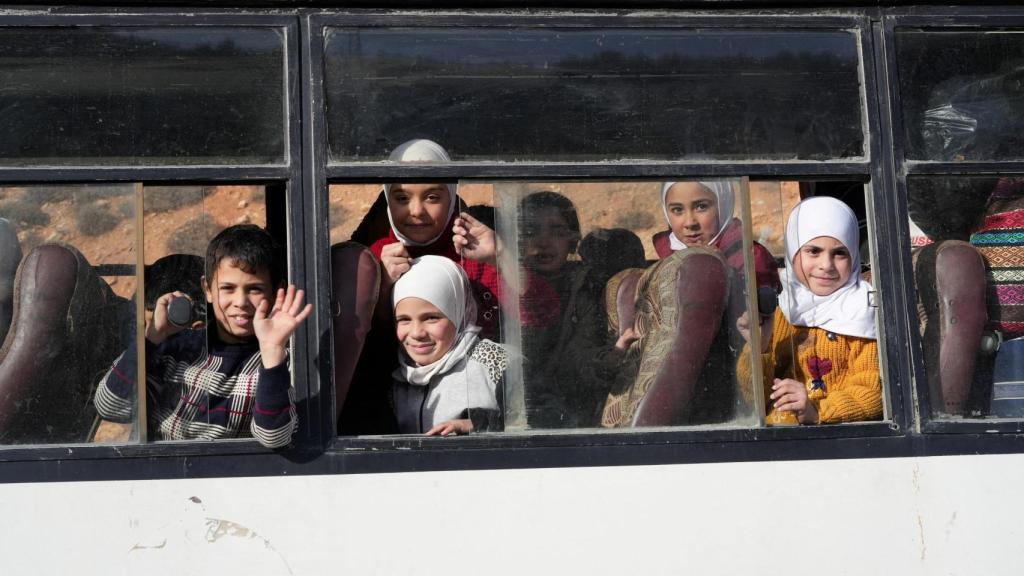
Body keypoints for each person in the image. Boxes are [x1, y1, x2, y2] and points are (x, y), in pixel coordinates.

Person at [94, 224, 312, 448]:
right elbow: (109, 406)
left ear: (277, 292)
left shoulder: (276, 364)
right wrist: (151, 340)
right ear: (207, 289)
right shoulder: (175, 348)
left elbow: (274, 437)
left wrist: (272, 351)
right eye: (227, 288)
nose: (240, 302)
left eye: (255, 289)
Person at [736, 196, 881, 425]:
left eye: (840, 253)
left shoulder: (864, 308)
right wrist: (759, 346)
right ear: (794, 251)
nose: (826, 265)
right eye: (813, 251)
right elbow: (750, 398)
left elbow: (872, 393)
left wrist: (817, 411)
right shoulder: (777, 305)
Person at [515, 191, 636, 428]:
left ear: (572, 240)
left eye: (557, 232)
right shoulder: (504, 283)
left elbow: (579, 354)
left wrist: (608, 359)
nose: (543, 242)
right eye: (530, 232)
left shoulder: (583, 289)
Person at [391, 255, 506, 435]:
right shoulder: (397, 380)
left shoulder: (496, 362)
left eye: (431, 318)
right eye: (404, 320)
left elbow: (543, 416)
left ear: (459, 313)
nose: (416, 333)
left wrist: (477, 424)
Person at [653, 180, 780, 292]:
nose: (690, 223)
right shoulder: (666, 256)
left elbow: (759, 313)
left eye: (701, 207)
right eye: (677, 210)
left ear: (723, 205)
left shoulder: (750, 257)